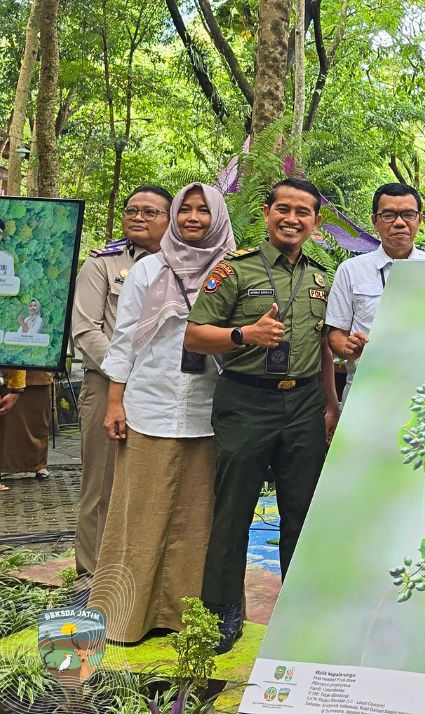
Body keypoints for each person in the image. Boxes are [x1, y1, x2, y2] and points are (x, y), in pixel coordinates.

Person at [185, 177, 340, 654]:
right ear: (268, 212)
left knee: (303, 513)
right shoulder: (233, 271)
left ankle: (298, 611)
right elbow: (193, 335)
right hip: (246, 401)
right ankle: (223, 612)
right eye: (284, 209)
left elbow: (324, 350)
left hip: (304, 406)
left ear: (315, 223)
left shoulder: (322, 277)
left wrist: (330, 404)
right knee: (234, 512)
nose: (292, 219)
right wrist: (243, 335)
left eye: (303, 212)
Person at [88, 183, 234, 643]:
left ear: (219, 218)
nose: (193, 218)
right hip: (149, 404)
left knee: (197, 517)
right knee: (140, 513)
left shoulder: (233, 272)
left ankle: (186, 617)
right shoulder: (149, 269)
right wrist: (115, 401)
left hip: (209, 410)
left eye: (203, 211)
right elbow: (126, 337)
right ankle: (128, 616)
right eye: (185, 210)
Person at [72, 185, 170, 575]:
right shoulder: (103, 265)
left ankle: (139, 569)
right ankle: (92, 573)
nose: (138, 218)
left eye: (150, 212)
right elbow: (85, 330)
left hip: (162, 392)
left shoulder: (183, 266)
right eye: (132, 210)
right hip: (106, 387)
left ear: (169, 220)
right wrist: (123, 374)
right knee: (101, 484)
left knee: (153, 483)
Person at [326, 182, 425, 394]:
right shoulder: (350, 270)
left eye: (408, 214)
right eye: (389, 215)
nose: (399, 223)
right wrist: (348, 347)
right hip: (367, 391)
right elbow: (336, 334)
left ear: (419, 219)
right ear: (374, 221)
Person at [0, 368, 53, 481]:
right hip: (9, 370)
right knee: (6, 424)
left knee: (37, 419)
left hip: (37, 369)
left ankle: (39, 464)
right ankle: (3, 464)